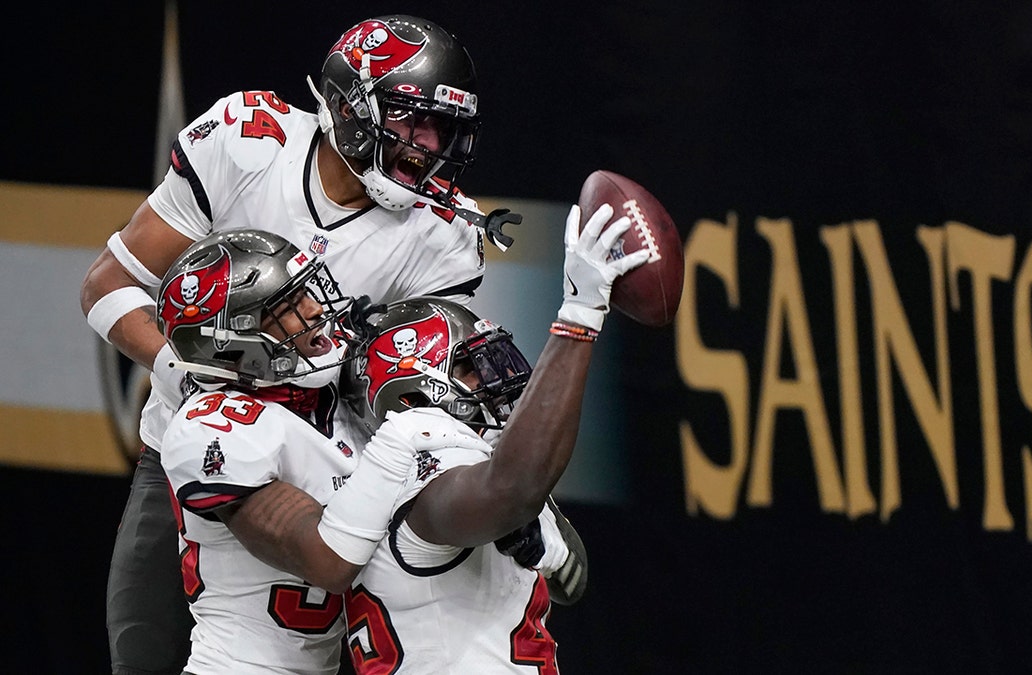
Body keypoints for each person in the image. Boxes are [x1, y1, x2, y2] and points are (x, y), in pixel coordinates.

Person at [79, 15, 533, 675]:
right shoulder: (245, 140)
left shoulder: (444, 236)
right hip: (197, 460)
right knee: (145, 655)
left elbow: (412, 393)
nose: (428, 146)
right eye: (411, 121)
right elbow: (109, 282)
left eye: (444, 129)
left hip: (333, 478)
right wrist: (185, 370)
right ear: (350, 106)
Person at [223, 199, 647, 672]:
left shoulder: (465, 470)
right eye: (470, 366)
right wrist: (579, 316)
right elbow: (513, 490)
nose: (494, 377)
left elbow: (570, 579)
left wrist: (539, 537)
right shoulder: (426, 468)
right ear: (410, 397)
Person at [156, 229, 363, 674]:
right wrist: (401, 459)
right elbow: (327, 560)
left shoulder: (329, 397)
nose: (313, 311)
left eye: (305, 293)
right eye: (287, 309)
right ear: (232, 342)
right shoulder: (212, 429)